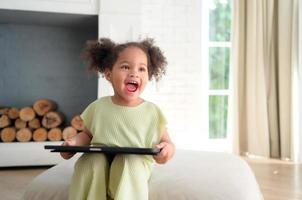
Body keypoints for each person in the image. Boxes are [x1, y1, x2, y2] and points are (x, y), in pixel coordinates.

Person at [60, 38, 175, 200]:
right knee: (89, 163)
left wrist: (166, 150)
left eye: (142, 69)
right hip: (100, 158)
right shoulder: (98, 107)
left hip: (135, 162)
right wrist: (72, 144)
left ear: (148, 76)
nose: (134, 73)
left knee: (128, 163)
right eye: (125, 67)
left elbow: (168, 142)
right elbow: (86, 135)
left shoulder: (152, 112)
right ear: (108, 75)